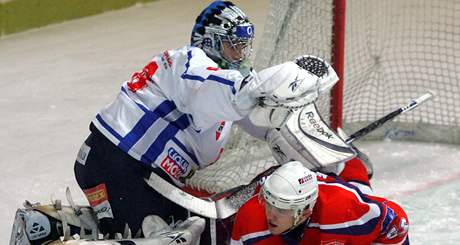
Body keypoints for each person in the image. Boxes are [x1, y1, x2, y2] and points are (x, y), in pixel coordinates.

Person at [72, 1, 340, 244]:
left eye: (243, 46)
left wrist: (321, 158)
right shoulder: (189, 63)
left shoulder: (229, 85)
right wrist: (281, 79)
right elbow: (226, 93)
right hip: (121, 164)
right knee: (174, 239)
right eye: (231, 45)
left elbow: (267, 123)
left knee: (202, 232)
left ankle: (50, 225)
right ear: (209, 41)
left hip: (129, 171)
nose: (240, 54)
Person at [230, 159, 410, 245]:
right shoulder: (250, 221)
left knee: (358, 190)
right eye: (269, 204)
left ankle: (349, 164)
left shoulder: (343, 211)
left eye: (283, 209)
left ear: (306, 212)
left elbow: (397, 224)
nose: (271, 214)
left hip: (335, 194)